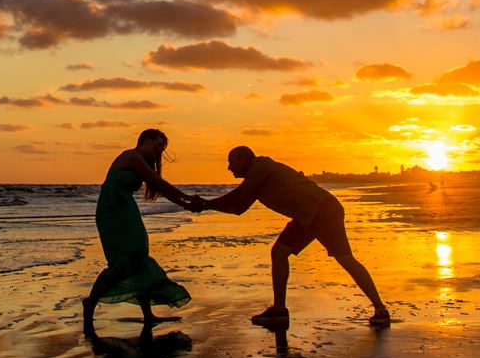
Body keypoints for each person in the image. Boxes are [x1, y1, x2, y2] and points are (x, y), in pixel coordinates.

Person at [192, 145, 390, 327]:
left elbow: (237, 198)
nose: (229, 167)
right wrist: (203, 205)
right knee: (280, 253)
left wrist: (205, 204)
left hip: (323, 211)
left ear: (245, 159)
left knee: (345, 259)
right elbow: (239, 207)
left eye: (231, 161)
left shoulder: (260, 168)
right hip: (308, 216)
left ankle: (380, 309)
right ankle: (279, 310)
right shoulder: (256, 176)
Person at [83, 128, 196, 330]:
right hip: (112, 211)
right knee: (122, 260)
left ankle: (147, 314)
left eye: (162, 147)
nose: (159, 150)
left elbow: (160, 187)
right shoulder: (132, 157)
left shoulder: (142, 161)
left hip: (126, 210)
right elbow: (159, 182)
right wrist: (188, 200)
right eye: (158, 145)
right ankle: (90, 303)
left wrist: (186, 203)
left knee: (139, 255)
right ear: (146, 139)